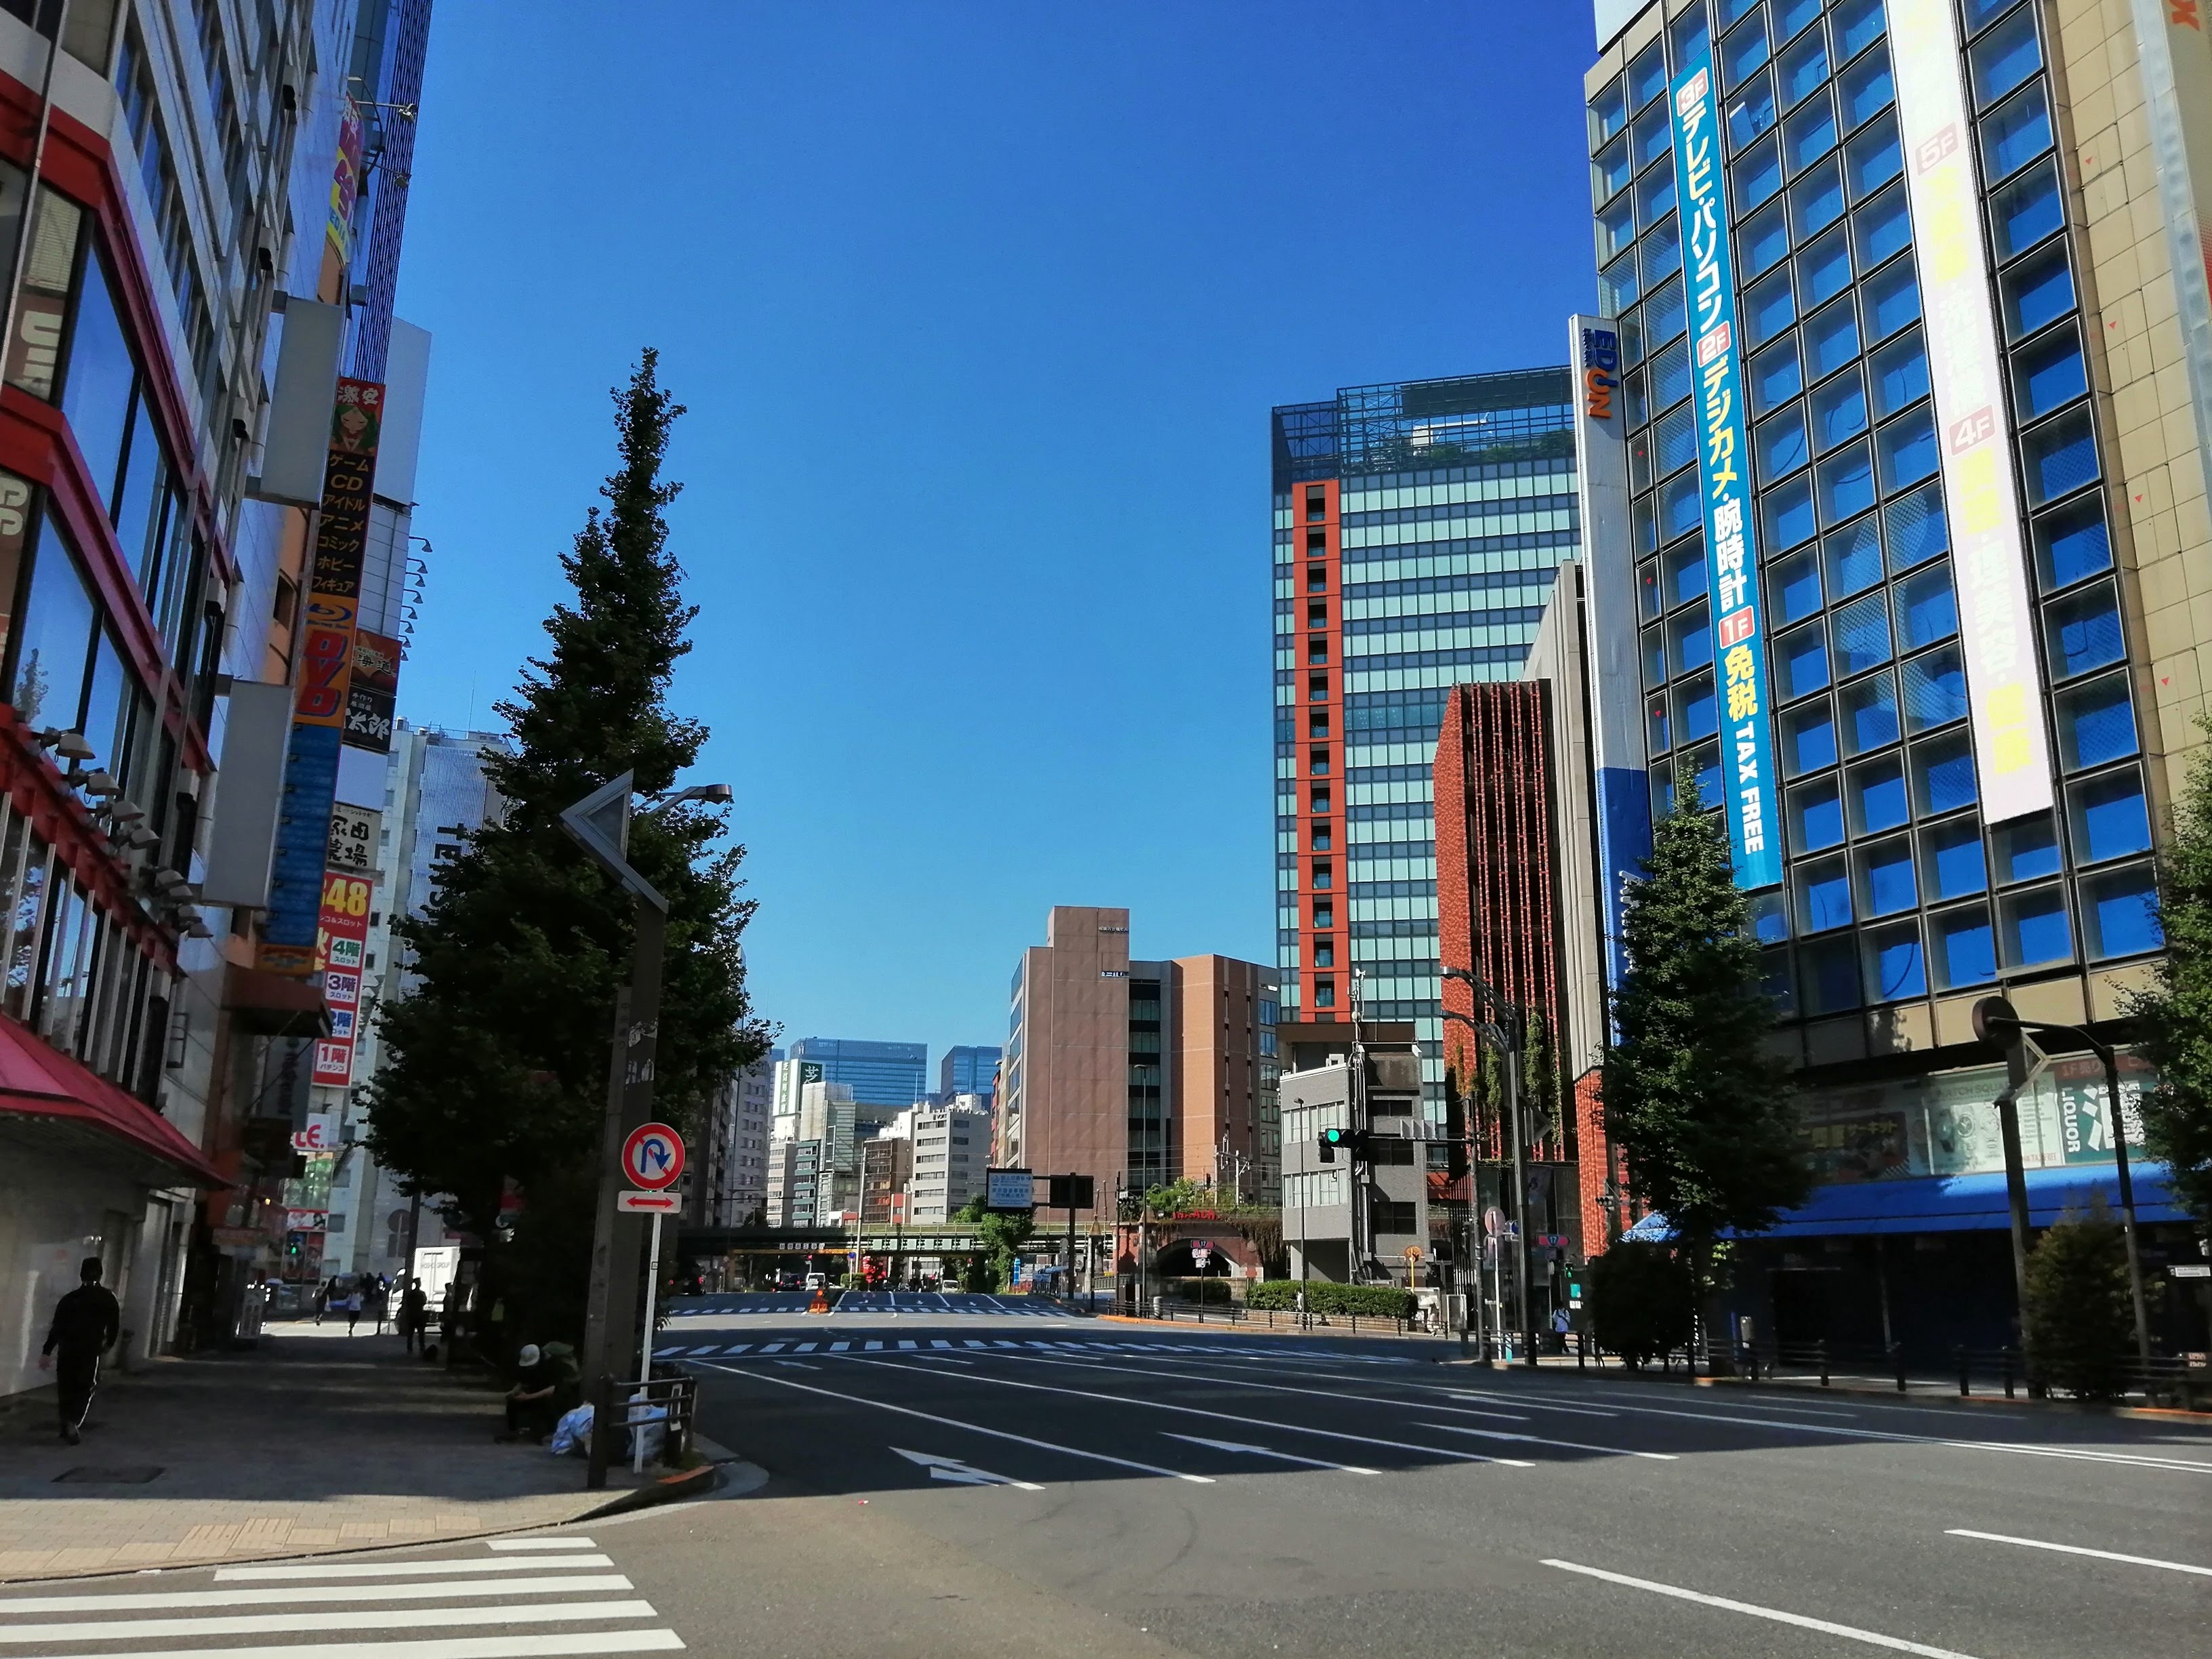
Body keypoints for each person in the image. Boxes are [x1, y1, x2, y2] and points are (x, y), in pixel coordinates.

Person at [40, 1258, 121, 1445]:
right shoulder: (108, 1298)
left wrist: (47, 1351)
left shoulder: (69, 1299)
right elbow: (114, 1325)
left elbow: (57, 1327)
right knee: (85, 1387)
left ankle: (65, 1425)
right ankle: (72, 1422)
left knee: (66, 1387)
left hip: (67, 1349)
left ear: (81, 1274)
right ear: (101, 1274)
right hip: (90, 1350)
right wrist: (108, 1344)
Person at [500, 1344, 569, 1442]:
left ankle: (552, 1431)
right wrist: (513, 1392)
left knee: (549, 1403)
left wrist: (528, 1397)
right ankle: (513, 1431)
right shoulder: (529, 1369)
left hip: (550, 1397)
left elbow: (552, 1389)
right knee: (512, 1402)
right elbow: (523, 1381)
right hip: (533, 1395)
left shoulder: (553, 1365)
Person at [400, 1279, 428, 1355]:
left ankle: (410, 1348)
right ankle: (422, 1347)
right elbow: (424, 1302)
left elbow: (408, 1303)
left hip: (412, 1315)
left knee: (411, 1333)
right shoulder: (422, 1294)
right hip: (419, 1315)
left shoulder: (411, 1294)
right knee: (421, 1333)